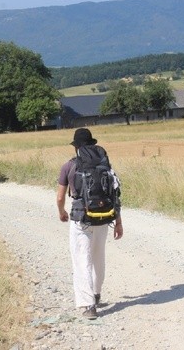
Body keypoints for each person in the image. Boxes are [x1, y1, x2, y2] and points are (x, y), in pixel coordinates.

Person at [56, 128, 123, 320]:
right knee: (98, 257)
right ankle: (97, 293)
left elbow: (60, 197)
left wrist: (62, 212)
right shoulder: (106, 166)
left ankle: (88, 305)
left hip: (80, 219)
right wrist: (118, 222)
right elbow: (114, 195)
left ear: (76, 146)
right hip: (103, 217)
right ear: (93, 145)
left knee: (81, 259)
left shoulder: (69, 166)